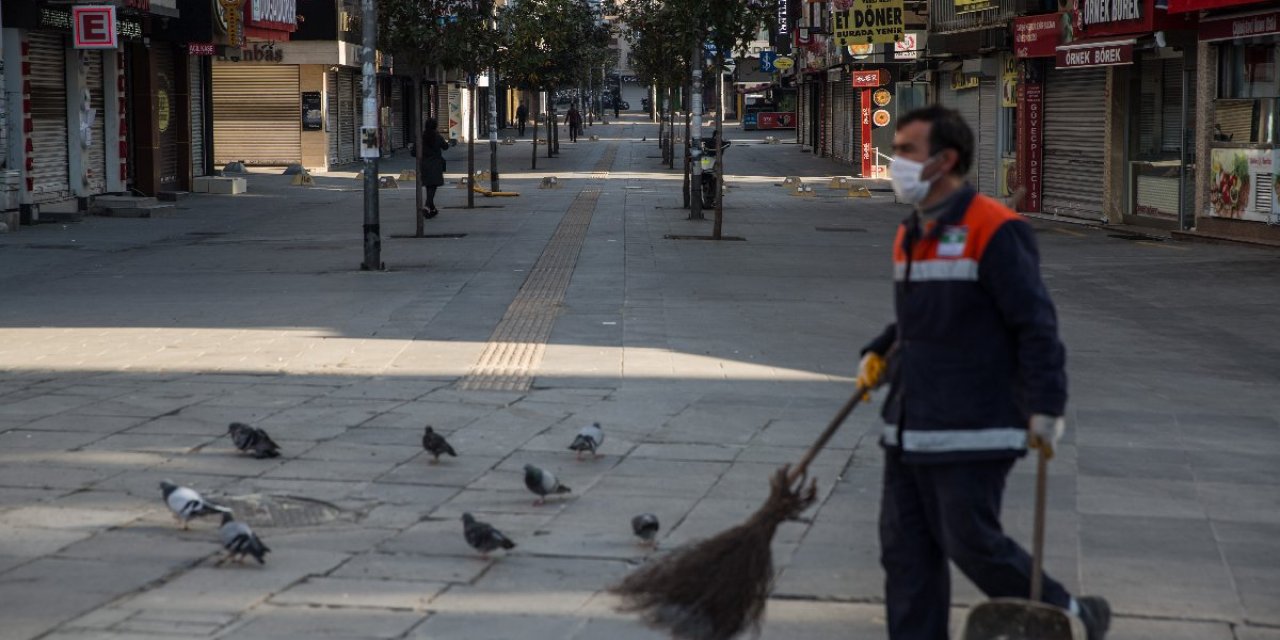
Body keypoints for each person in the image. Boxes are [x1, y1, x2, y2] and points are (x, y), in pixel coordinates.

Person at [856, 105, 1111, 640]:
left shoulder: (995, 228)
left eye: (906, 150)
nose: (894, 159)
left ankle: (1070, 614)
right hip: (909, 421)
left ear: (944, 160)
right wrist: (879, 351)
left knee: (971, 541)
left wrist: (1046, 406)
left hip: (974, 420)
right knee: (905, 554)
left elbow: (1035, 323)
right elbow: (916, 315)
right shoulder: (911, 232)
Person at [419, 117, 447, 218]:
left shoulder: (421, 137)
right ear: (435, 126)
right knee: (433, 186)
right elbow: (445, 146)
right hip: (435, 165)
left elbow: (414, 152)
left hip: (424, 165)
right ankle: (427, 206)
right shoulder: (437, 136)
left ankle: (433, 209)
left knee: (429, 186)